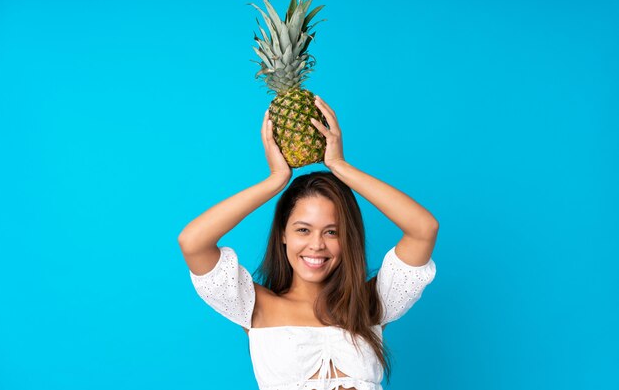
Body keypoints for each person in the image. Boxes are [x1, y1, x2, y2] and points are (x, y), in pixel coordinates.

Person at [178, 95, 439, 390]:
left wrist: (340, 166)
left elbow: (423, 229)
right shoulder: (257, 307)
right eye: (303, 230)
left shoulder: (368, 304)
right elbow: (193, 242)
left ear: (348, 238)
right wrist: (276, 180)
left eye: (332, 232)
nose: (316, 245)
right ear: (283, 235)